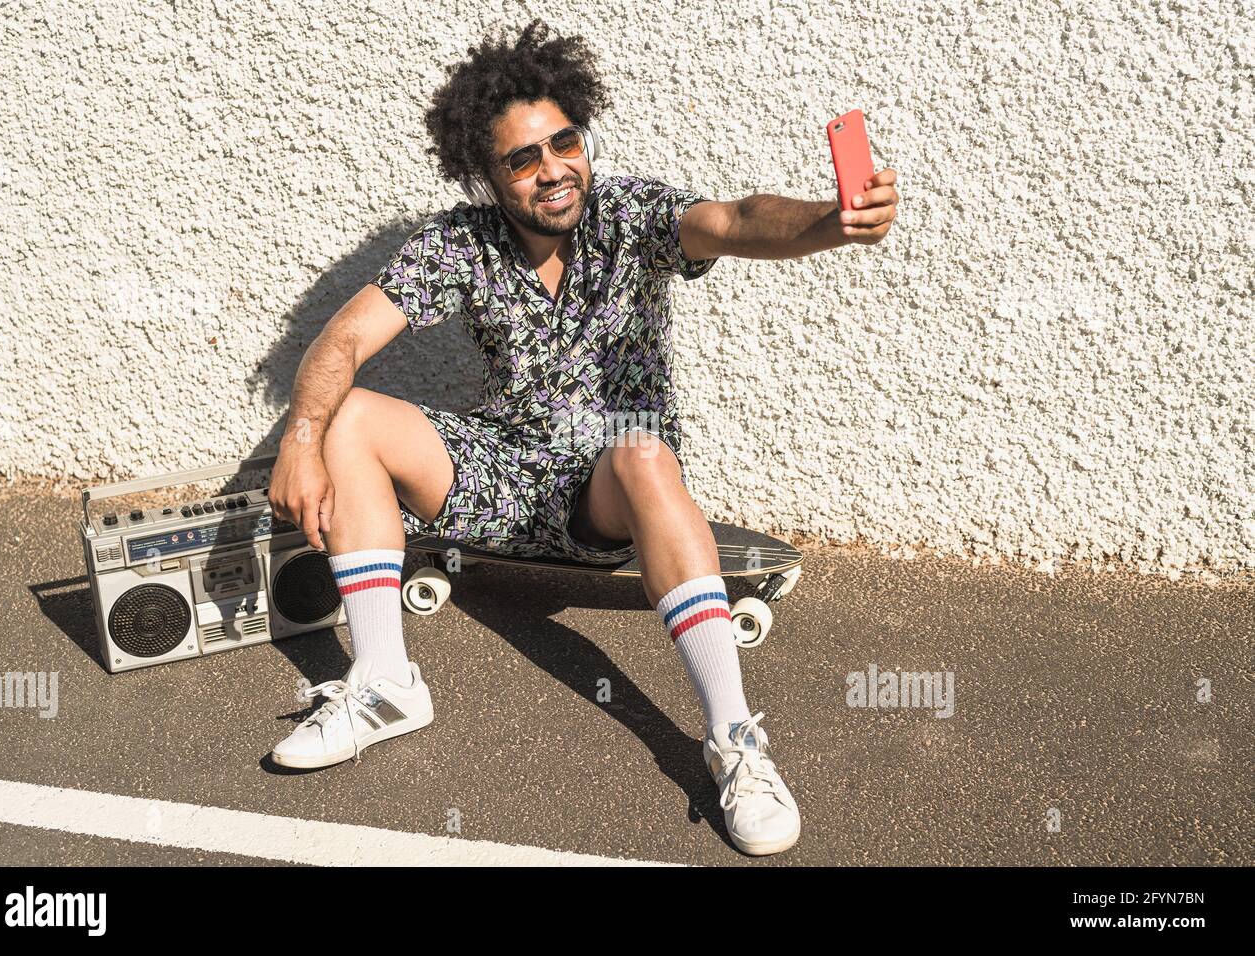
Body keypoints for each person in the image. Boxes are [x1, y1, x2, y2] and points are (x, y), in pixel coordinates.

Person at [266, 19, 898, 857]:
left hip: (612, 486)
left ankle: (734, 741)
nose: (553, 170)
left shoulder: (632, 215)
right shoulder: (461, 244)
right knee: (347, 413)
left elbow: (738, 219)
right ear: (485, 175)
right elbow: (344, 338)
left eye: (564, 143)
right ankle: (384, 682)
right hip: (502, 472)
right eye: (522, 159)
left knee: (641, 448)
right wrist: (301, 438)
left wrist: (828, 222)